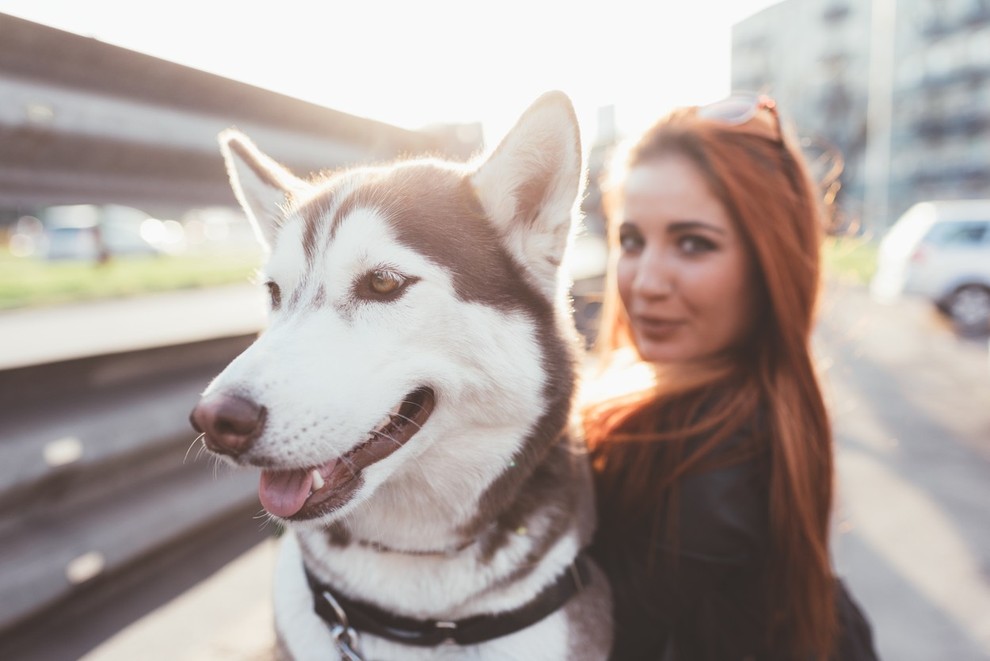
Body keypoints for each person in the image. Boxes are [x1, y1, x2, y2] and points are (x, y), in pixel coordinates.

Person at [583, 93, 878, 660]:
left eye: (693, 243)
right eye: (632, 240)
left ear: (771, 263)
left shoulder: (714, 463)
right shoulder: (731, 413)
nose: (645, 281)